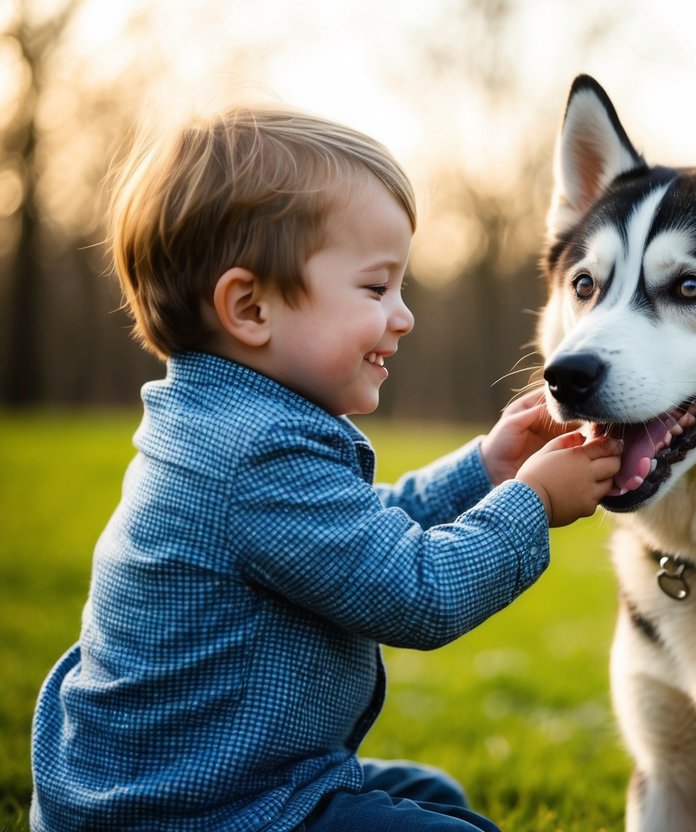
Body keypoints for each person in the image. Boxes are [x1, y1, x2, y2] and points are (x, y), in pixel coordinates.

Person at [29, 104, 622, 832]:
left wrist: (484, 469)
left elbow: (357, 535)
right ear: (249, 308)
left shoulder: (222, 425)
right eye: (376, 289)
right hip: (197, 809)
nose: (403, 316)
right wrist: (530, 502)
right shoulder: (254, 452)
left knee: (429, 794)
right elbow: (417, 593)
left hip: (207, 771)